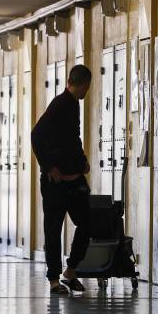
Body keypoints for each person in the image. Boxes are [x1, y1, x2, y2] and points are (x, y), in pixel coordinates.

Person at [31, 65, 92, 295]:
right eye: (87, 86)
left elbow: (72, 138)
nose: (87, 90)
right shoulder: (59, 104)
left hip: (74, 179)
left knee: (87, 223)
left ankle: (71, 271)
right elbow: (36, 135)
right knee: (53, 228)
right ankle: (54, 279)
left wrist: (82, 159)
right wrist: (48, 167)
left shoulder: (74, 104)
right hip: (55, 183)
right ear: (82, 84)